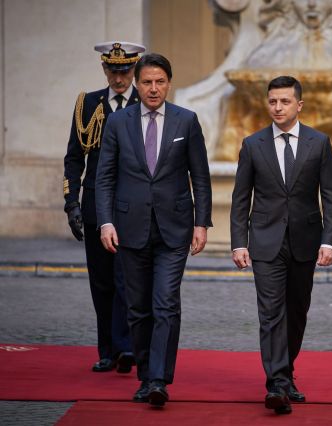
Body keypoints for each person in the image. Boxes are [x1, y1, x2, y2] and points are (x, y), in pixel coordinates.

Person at [95, 53, 213, 407]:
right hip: (129, 228)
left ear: (169, 84)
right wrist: (106, 221)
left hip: (174, 230)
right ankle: (146, 377)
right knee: (138, 308)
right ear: (137, 83)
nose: (153, 88)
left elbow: (200, 177)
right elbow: (105, 177)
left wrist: (201, 223)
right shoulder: (118, 122)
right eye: (146, 82)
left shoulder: (186, 121)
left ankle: (159, 379)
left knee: (165, 303)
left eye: (160, 82)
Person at [230, 75, 332, 415]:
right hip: (265, 242)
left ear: (299, 105)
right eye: (273, 101)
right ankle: (277, 383)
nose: (277, 107)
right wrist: (238, 243)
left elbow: (331, 196)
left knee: (296, 311)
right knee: (270, 313)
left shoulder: (319, 143)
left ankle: (286, 371)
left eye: (284, 101)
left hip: (305, 241)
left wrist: (330, 241)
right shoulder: (253, 145)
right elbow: (240, 198)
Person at [63, 41, 145, 374]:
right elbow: (73, 157)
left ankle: (127, 347)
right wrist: (71, 203)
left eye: (125, 71)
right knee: (101, 280)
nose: (119, 78)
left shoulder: (145, 102)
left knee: (127, 277)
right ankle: (108, 350)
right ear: (104, 69)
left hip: (132, 203)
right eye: (113, 71)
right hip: (96, 201)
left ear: (134, 69)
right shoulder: (88, 104)